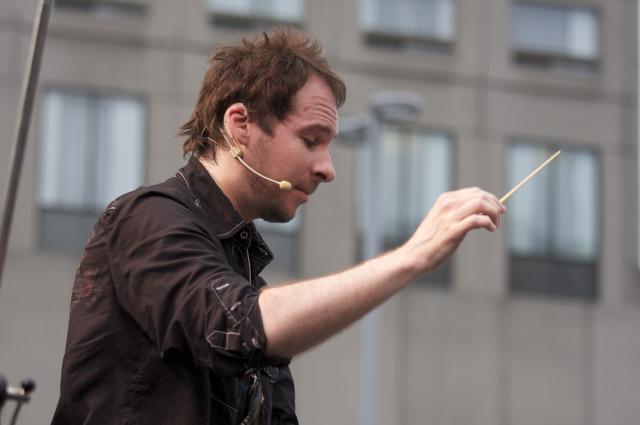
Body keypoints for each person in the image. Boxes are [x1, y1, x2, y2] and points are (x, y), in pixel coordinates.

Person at [51, 28, 505, 425]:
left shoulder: (241, 269)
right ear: (240, 125)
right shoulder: (148, 218)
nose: (327, 169)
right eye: (310, 140)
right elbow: (239, 324)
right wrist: (413, 256)